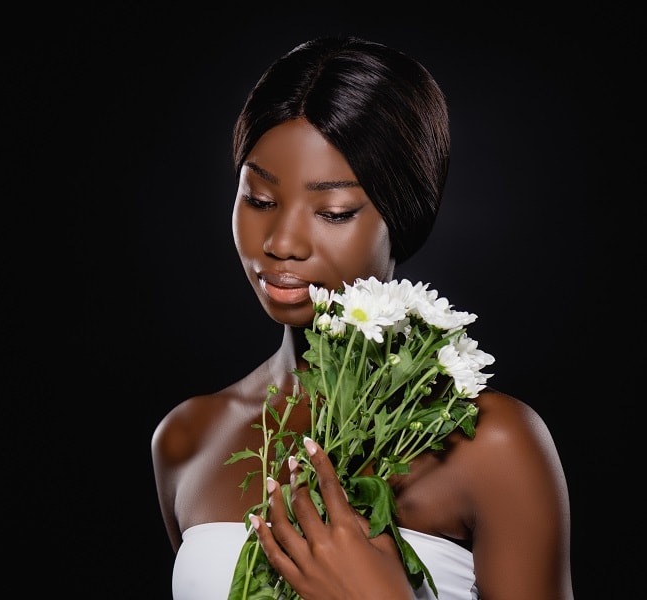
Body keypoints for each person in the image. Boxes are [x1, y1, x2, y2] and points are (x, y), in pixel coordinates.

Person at [151, 35, 573, 599]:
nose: (281, 242)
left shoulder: (492, 443)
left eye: (333, 212)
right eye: (259, 199)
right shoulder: (189, 440)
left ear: (400, 217)